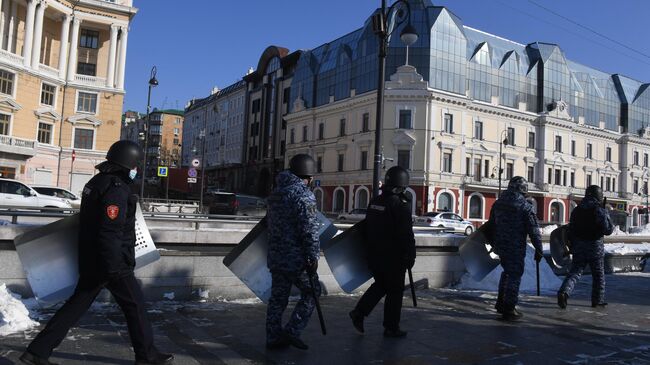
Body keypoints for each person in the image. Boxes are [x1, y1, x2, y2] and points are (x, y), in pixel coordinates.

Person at [21, 140, 173, 365]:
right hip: (111, 262)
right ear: (128, 162)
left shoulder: (97, 181)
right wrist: (113, 267)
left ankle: (37, 352)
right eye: (135, 164)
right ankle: (146, 356)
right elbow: (110, 231)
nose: (136, 169)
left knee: (75, 306)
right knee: (135, 306)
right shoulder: (116, 188)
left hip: (93, 258)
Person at [349, 166, 415, 337]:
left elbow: (367, 227)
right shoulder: (399, 206)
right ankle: (391, 327)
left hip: (374, 255)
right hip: (393, 257)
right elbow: (406, 234)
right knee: (395, 292)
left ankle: (359, 312)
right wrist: (410, 255)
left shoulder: (375, 201)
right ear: (401, 186)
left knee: (381, 285)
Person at [265, 154, 321, 350]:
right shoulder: (303, 194)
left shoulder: (276, 192)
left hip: (276, 256)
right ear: (309, 176)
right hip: (296, 259)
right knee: (313, 292)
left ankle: (273, 337)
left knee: (278, 298)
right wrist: (313, 256)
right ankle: (292, 331)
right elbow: (309, 229)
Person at [490, 176, 543, 321]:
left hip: (501, 246)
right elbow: (534, 231)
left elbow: (491, 225)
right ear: (523, 190)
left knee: (507, 272)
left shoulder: (498, 204)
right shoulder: (525, 206)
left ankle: (501, 303)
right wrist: (539, 249)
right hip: (515, 246)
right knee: (515, 275)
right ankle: (509, 308)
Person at [557, 185, 613, 309]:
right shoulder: (599, 210)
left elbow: (571, 229)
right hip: (595, 247)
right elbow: (608, 230)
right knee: (598, 274)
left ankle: (564, 292)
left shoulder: (577, 210)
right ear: (599, 195)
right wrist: (606, 214)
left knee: (575, 271)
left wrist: (572, 244)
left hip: (579, 246)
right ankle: (597, 300)